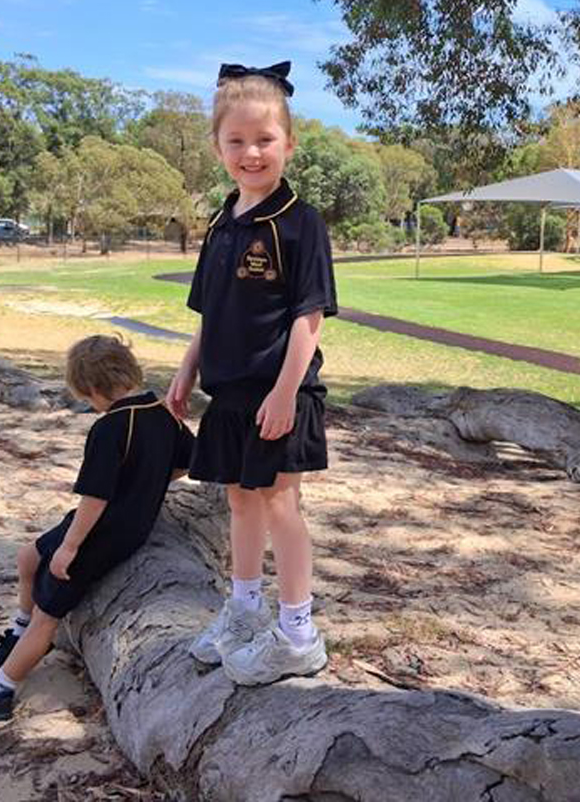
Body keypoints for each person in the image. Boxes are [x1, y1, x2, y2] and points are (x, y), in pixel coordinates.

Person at [167, 61, 337, 686]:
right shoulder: (220, 222)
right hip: (228, 394)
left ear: (289, 143)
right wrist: (185, 372)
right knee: (239, 499)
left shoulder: (301, 223)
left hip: (281, 393)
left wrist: (288, 391)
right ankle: (243, 613)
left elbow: (309, 315)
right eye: (236, 141)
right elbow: (210, 311)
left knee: (279, 501)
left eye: (264, 140)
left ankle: (297, 632)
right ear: (217, 147)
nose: (251, 153)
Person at [0, 335, 194, 720]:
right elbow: (185, 462)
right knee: (28, 557)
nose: (88, 405)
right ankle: (16, 635)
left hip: (102, 532)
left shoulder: (110, 427)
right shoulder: (161, 410)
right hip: (110, 521)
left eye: (86, 398)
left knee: (48, 614)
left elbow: (94, 498)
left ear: (91, 388)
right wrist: (148, 480)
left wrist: (70, 547)